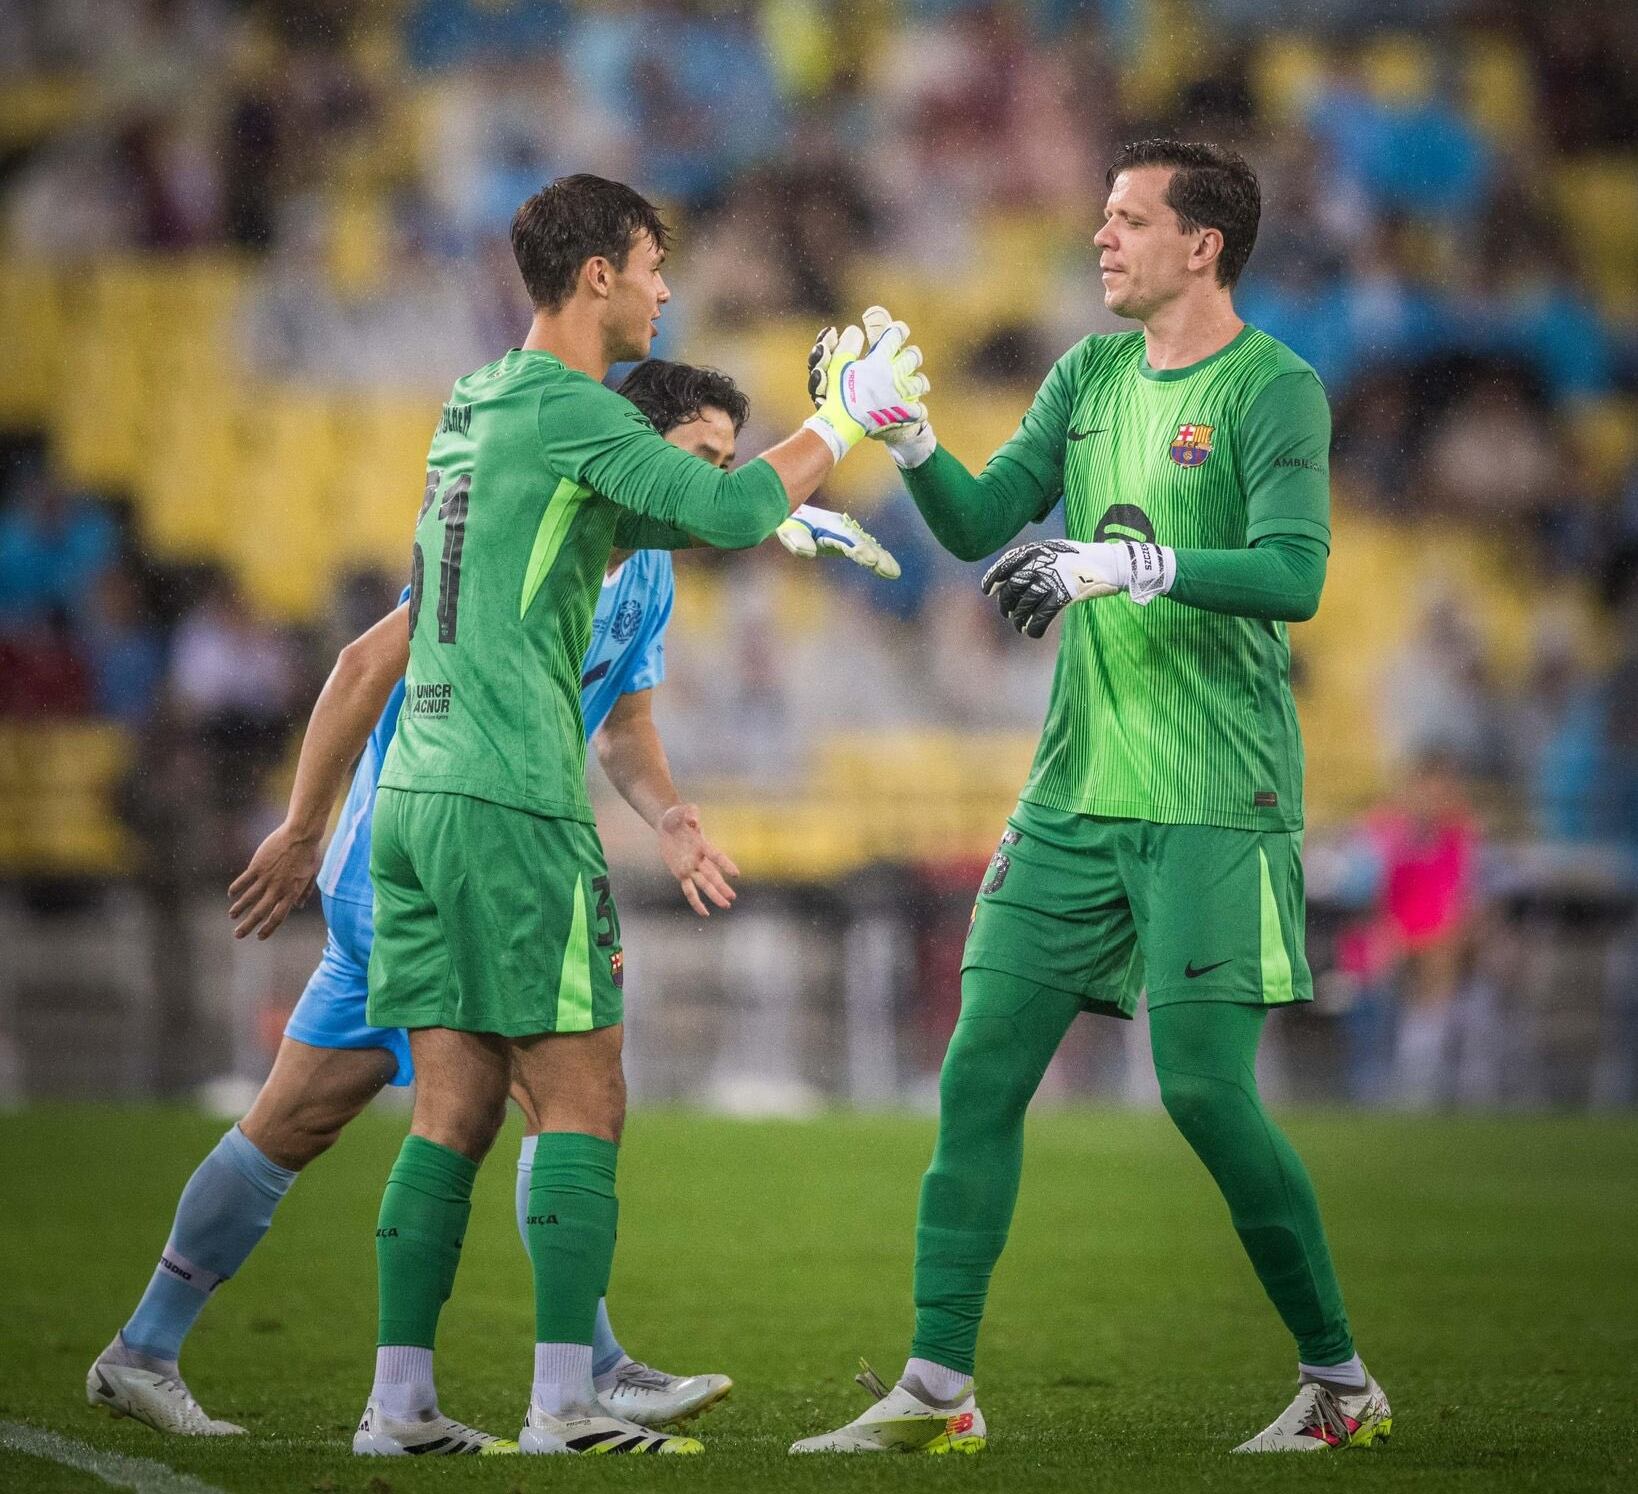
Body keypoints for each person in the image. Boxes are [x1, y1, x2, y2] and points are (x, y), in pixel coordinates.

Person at [86, 354, 901, 1441]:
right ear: (632, 453)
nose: (712, 478)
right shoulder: (528, 529)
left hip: (447, 849)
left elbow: (623, 725)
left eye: (724, 461)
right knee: (541, 1098)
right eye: (699, 458)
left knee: (298, 1117)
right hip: (431, 847)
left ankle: (144, 1348)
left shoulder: (645, 574)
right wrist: (303, 827)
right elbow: (360, 667)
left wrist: (667, 815)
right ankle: (586, 1376)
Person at [794, 140, 1391, 1456]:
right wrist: (906, 440)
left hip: (1211, 791)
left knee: (1200, 1089)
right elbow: (977, 525)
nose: (1100, 236)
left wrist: (1130, 561)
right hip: (1070, 793)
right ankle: (936, 1388)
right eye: (1102, 215)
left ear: (1203, 246)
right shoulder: (1087, 373)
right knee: (977, 1073)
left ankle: (1339, 1381)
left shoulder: (1273, 389)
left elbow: (1294, 573)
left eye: (1128, 219)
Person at [351, 172, 921, 1458]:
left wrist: (779, 516)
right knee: (585, 1096)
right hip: (512, 796)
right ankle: (564, 1405)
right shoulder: (564, 406)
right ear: (599, 273)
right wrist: (846, 418)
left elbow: (630, 527)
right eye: (656, 264)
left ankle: (400, 1408)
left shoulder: (479, 397)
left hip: (420, 792)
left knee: (451, 1112)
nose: (669, 289)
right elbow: (713, 503)